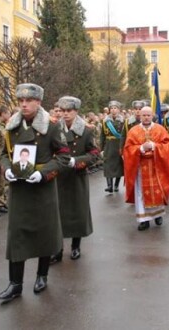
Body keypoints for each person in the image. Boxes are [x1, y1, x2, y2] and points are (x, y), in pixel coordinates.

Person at [0, 83, 69, 303]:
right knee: (17, 236)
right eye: (21, 101)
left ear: (39, 102)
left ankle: (42, 275)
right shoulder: (12, 126)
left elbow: (63, 157)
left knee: (44, 234)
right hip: (19, 189)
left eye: (29, 100)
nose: (24, 104)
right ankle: (15, 283)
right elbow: (3, 155)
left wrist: (44, 173)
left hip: (42, 189)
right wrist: (7, 168)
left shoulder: (52, 126)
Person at [50, 96, 99, 264]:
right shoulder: (55, 128)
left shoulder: (86, 130)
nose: (65, 114)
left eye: (69, 111)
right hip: (59, 177)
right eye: (62, 111)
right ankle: (57, 249)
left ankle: (76, 246)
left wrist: (76, 161)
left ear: (76, 111)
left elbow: (94, 154)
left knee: (77, 212)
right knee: (58, 214)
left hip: (77, 177)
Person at [123, 106, 169, 231]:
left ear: (152, 116)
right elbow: (128, 149)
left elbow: (168, 145)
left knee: (157, 190)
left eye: (148, 115)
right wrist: (140, 148)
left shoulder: (160, 129)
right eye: (143, 115)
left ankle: (158, 215)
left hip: (157, 166)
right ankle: (143, 220)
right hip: (140, 167)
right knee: (141, 193)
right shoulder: (133, 131)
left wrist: (155, 146)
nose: (146, 117)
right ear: (139, 116)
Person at [100, 100, 125, 193]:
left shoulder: (123, 121)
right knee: (108, 165)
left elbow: (124, 135)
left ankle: (116, 185)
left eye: (115, 108)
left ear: (118, 110)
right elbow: (102, 136)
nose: (113, 110)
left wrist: (123, 147)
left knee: (118, 165)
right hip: (108, 146)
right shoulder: (105, 122)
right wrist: (101, 148)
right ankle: (109, 186)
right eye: (112, 108)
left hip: (118, 145)